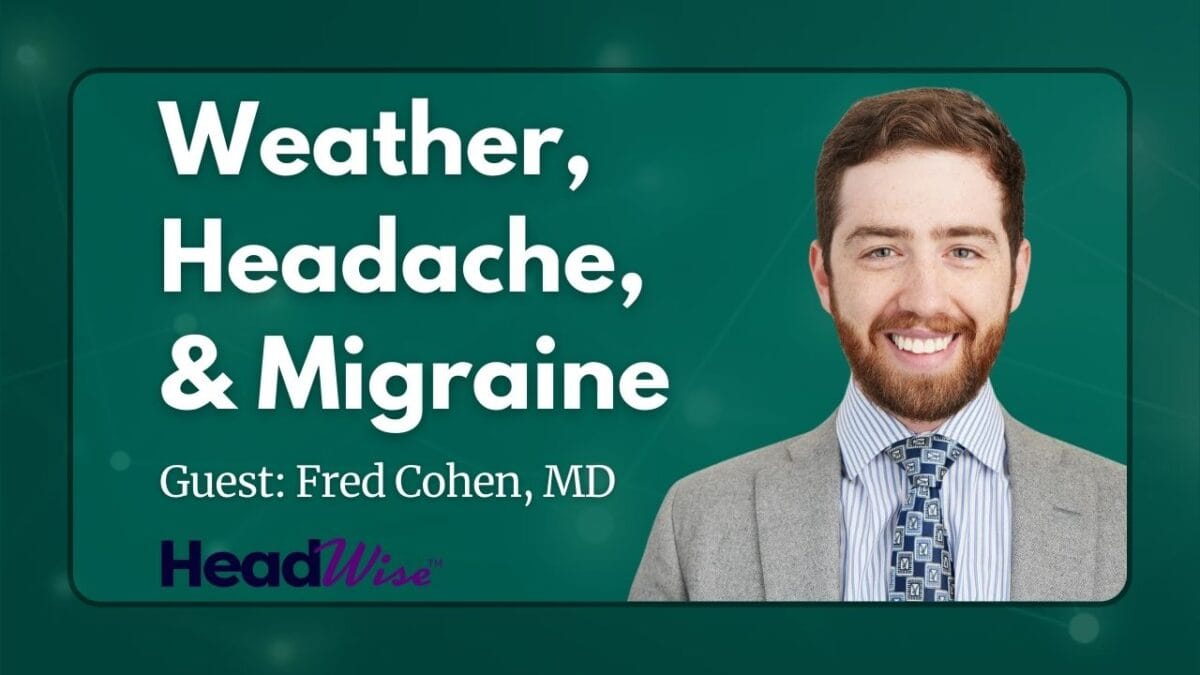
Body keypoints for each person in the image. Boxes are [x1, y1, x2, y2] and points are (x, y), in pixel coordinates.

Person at [629, 87, 1126, 602]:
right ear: (825, 277)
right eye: (882, 251)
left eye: (963, 251)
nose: (925, 300)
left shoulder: (1142, 523)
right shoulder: (697, 521)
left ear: (1017, 275)